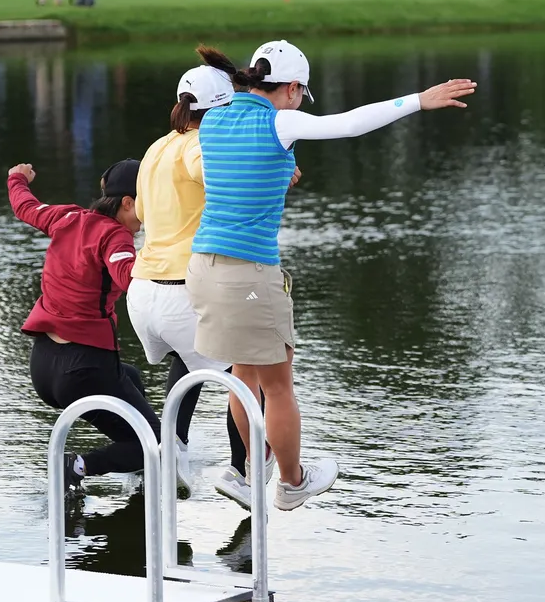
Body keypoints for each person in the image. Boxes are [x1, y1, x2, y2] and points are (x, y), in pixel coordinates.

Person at [187, 41, 478, 510]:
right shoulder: (278, 121)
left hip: (203, 267)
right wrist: (418, 101)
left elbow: (240, 167)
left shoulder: (215, 118)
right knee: (277, 385)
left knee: (243, 375)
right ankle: (292, 482)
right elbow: (349, 124)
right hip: (249, 274)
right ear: (291, 88)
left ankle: (253, 465)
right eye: (299, 95)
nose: (298, 103)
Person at [129, 47, 280, 503]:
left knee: (190, 356)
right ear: (221, 108)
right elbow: (221, 176)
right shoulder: (202, 146)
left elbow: (140, 213)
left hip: (143, 294)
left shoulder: (156, 147)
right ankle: (243, 472)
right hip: (184, 291)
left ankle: (171, 449)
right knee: (248, 369)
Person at [7, 159, 163, 499]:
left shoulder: (66, 217)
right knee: (154, 443)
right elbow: (128, 278)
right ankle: (79, 466)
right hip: (85, 368)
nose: (151, 215)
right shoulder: (117, 238)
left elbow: (25, 207)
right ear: (127, 202)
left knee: (132, 377)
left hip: (44, 367)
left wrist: (17, 178)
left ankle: (135, 470)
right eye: (149, 203)